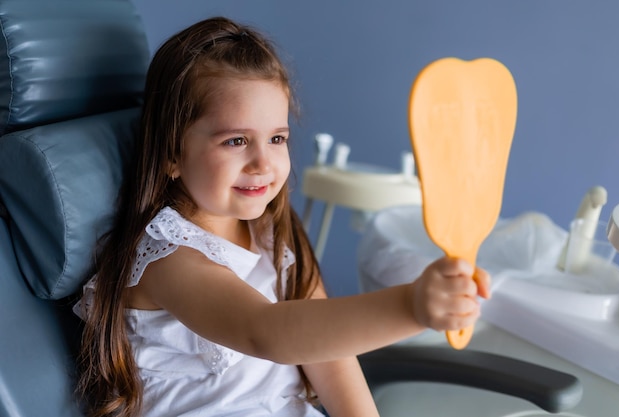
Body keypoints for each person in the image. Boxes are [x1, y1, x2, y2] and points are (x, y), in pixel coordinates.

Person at [74, 16, 491, 417]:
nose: (263, 162)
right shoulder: (167, 260)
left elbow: (330, 357)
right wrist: (410, 305)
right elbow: (267, 331)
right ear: (171, 154)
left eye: (277, 138)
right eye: (236, 140)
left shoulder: (269, 232)